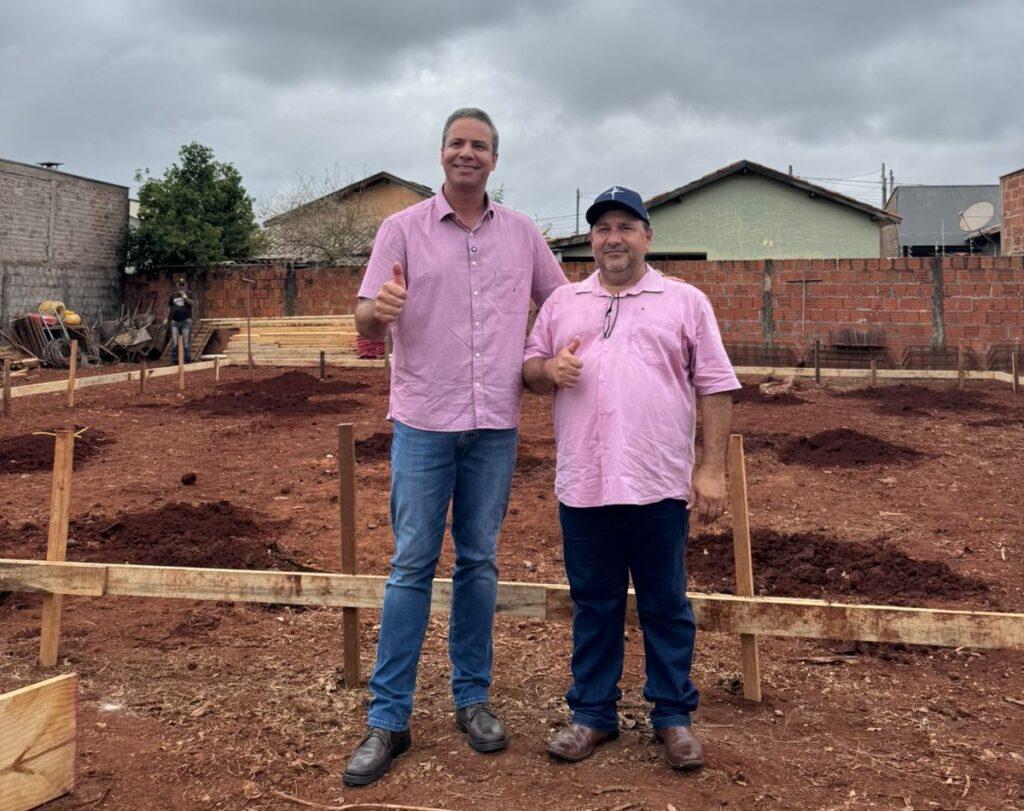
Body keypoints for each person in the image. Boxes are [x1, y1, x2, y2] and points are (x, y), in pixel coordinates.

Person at [343, 108, 568, 787]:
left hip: (494, 424)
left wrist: (557, 350)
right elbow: (364, 315)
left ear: (494, 159)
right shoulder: (401, 229)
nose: (467, 153)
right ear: (441, 153)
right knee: (412, 562)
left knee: (479, 561)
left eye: (479, 145)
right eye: (456, 143)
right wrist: (377, 312)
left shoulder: (523, 234)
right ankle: (389, 717)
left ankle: (472, 699)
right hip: (423, 421)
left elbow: (562, 305)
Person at [523, 187, 740, 771]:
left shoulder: (684, 301)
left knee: (665, 603)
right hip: (585, 482)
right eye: (602, 229)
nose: (613, 238)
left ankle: (672, 716)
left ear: (647, 236)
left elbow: (715, 385)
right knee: (594, 603)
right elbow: (529, 370)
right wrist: (549, 368)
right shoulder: (563, 302)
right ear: (591, 240)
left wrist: (711, 468)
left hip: (657, 482)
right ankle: (593, 714)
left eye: (625, 227)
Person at [167, 279, 196, 363]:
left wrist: (185, 297)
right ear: (177, 286)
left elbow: (193, 304)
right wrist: (167, 318)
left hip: (186, 321)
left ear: (186, 286)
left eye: (183, 285)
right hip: (174, 321)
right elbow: (170, 307)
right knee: (174, 341)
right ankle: (174, 359)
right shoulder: (173, 295)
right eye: (180, 285)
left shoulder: (190, 293)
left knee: (186, 341)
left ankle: (187, 358)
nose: (181, 287)